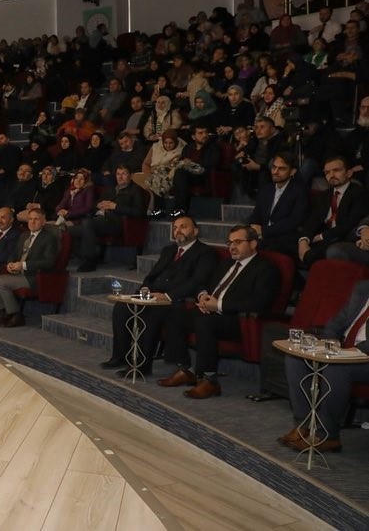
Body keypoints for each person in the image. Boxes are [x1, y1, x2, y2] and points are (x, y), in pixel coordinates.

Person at [157, 225, 280, 399]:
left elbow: (259, 302)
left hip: (237, 319)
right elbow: (204, 284)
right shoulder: (227, 263)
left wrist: (219, 305)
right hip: (211, 310)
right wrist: (203, 296)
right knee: (174, 314)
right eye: (230, 242)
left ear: (253, 243)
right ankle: (185, 369)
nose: (232, 247)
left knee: (205, 322)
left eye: (238, 242)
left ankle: (209, 380)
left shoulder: (266, 268)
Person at [100, 216, 218, 376]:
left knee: (151, 312)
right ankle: (120, 356)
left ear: (195, 231)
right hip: (152, 294)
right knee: (122, 307)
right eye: (175, 228)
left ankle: (142, 365)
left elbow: (197, 281)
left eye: (183, 227)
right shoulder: (168, 250)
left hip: (176, 300)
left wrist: (167, 296)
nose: (178, 231)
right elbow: (151, 276)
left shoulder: (206, 252)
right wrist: (146, 289)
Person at [277, 282, 369, 453]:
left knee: (337, 368)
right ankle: (302, 426)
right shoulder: (363, 288)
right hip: (342, 349)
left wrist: (347, 353)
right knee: (295, 357)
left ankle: (328, 435)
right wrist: (330, 344)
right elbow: (336, 322)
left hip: (365, 357)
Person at [0, 208, 60, 327]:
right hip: (18, 273)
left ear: (43, 221)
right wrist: (10, 263)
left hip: (34, 276)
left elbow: (48, 262)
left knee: (1, 282)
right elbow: (14, 254)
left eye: (36, 219)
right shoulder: (24, 235)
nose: (32, 222)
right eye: (30, 219)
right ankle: (5, 313)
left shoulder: (49, 238)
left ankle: (16, 315)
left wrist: (23, 265)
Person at [295, 155, 368, 268]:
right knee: (286, 246)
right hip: (321, 237)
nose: (331, 175)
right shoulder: (324, 195)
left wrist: (319, 237)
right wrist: (304, 240)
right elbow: (313, 220)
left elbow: (350, 224)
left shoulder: (359, 193)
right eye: (327, 172)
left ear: (349, 173)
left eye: (336, 170)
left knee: (309, 256)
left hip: (341, 238)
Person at [72, 165, 146, 272]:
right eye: (118, 174)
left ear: (131, 176)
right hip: (98, 218)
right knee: (67, 230)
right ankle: (89, 256)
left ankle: (89, 261)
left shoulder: (135, 190)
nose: (120, 177)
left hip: (115, 222)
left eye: (124, 174)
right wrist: (99, 205)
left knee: (87, 223)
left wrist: (115, 207)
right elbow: (95, 204)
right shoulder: (111, 188)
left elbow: (139, 212)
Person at [247, 153, 309, 258]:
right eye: (274, 167)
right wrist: (252, 228)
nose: (275, 172)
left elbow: (294, 222)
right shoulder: (266, 189)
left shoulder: (300, 191)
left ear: (292, 172)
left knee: (258, 246)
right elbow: (256, 214)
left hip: (285, 238)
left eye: (281, 169)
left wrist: (264, 231)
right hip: (264, 236)